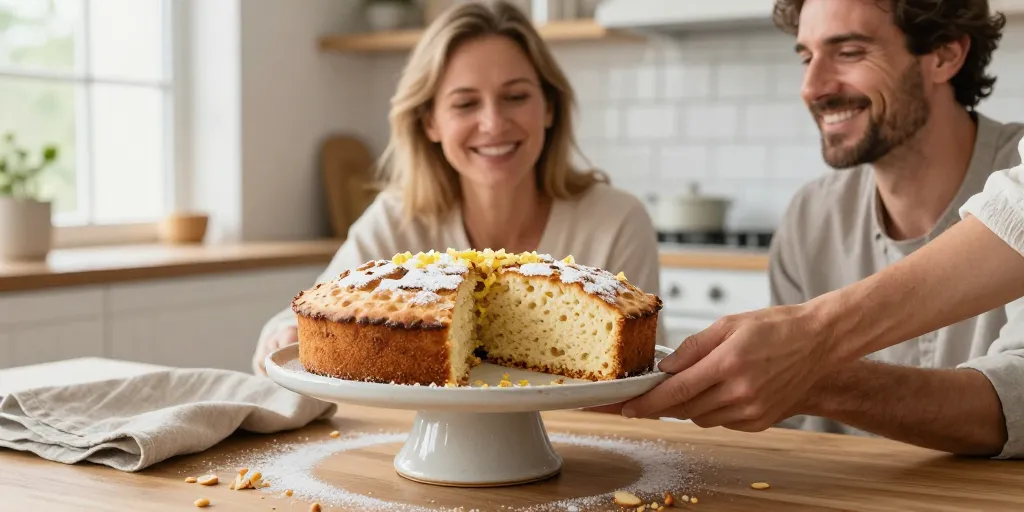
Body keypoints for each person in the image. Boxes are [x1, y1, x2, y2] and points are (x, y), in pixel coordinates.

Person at [605, 0, 1024, 459]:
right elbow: (788, 433)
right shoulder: (811, 215)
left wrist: (816, 372)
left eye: (849, 52)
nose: (812, 86)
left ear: (945, 56)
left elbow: (1015, 400)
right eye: (806, 57)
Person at [251, 0, 662, 375]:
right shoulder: (398, 218)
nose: (493, 123)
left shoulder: (616, 221)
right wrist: (283, 336)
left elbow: (638, 374)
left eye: (516, 96)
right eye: (465, 104)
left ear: (549, 107)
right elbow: (307, 321)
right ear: (430, 121)